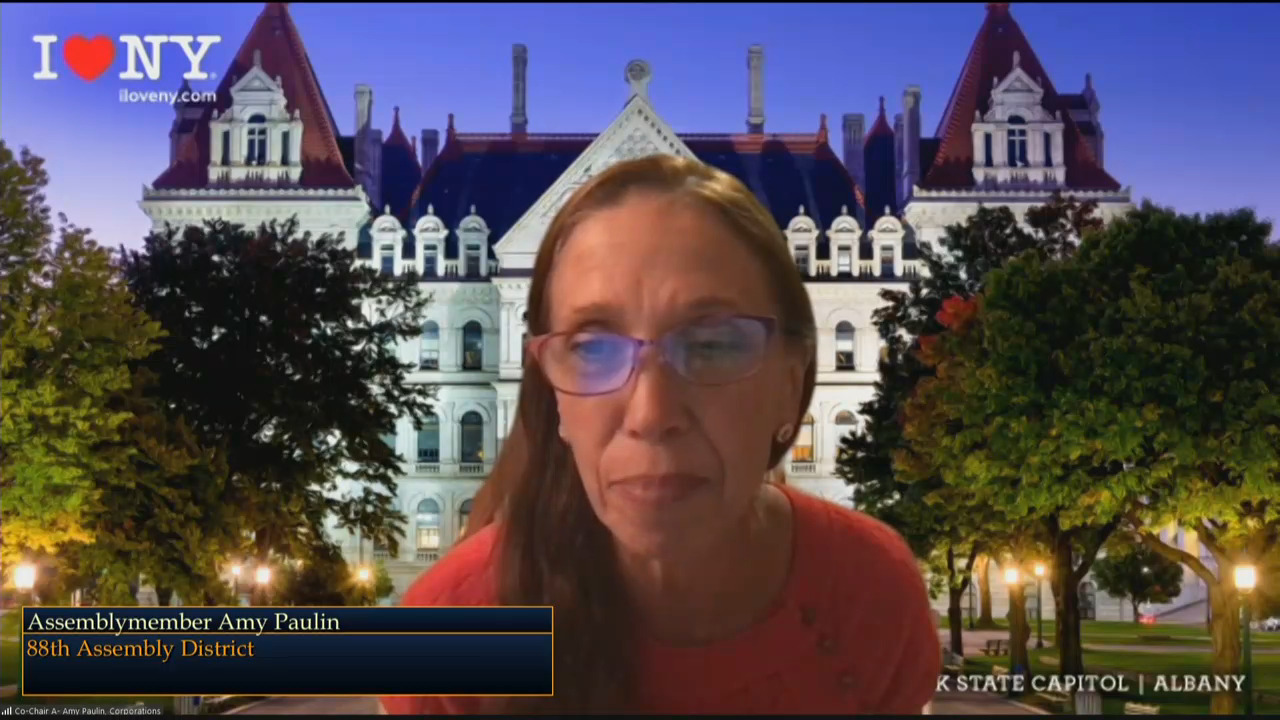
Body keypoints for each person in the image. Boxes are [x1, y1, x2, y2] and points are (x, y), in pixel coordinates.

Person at [380, 155, 939, 715]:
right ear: (553, 396)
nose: (650, 413)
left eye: (712, 344)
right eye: (593, 347)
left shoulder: (873, 599)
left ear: (790, 386)